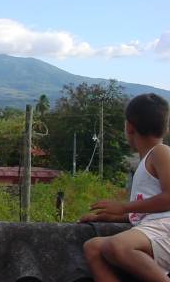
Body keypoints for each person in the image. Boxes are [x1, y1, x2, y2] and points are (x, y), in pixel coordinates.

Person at [81, 93, 170, 282]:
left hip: (166, 229)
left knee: (117, 246)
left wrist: (124, 207)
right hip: (155, 230)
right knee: (93, 247)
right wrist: (111, 217)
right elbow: (147, 209)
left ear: (129, 126)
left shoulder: (161, 152)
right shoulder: (144, 162)